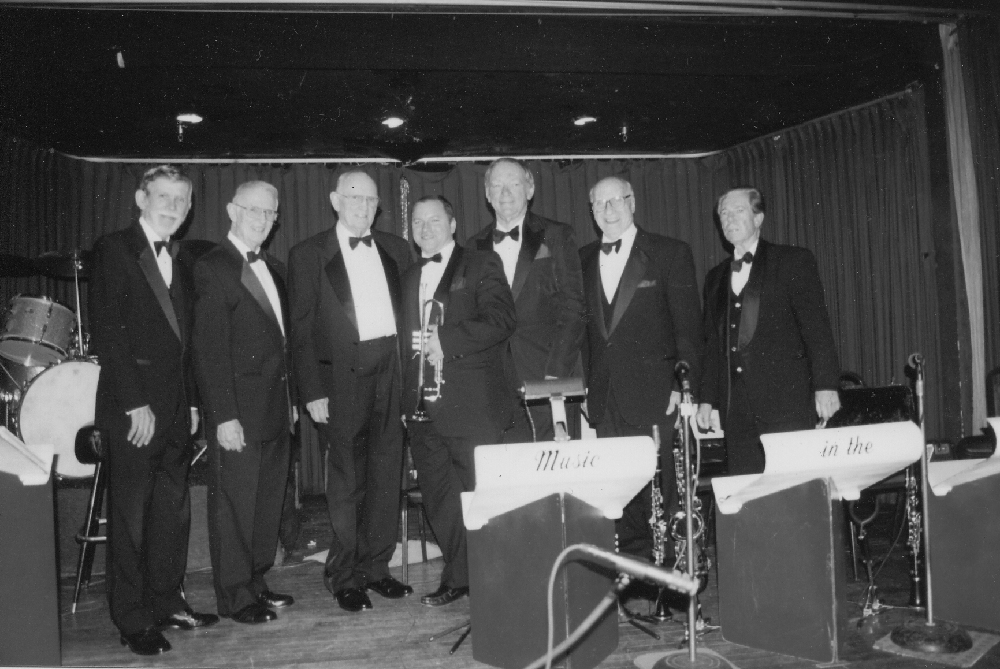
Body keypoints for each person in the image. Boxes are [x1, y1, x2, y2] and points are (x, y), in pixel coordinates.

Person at [89, 165, 218, 656]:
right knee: (131, 518)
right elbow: (109, 331)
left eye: (181, 200)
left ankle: (168, 602)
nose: (172, 206)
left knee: (172, 514)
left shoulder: (182, 259)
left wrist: (187, 402)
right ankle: (132, 618)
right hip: (134, 408)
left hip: (173, 410)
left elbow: (182, 343)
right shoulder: (114, 249)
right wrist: (134, 403)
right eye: (162, 196)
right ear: (141, 199)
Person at [287, 171, 414, 612]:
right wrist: (312, 390)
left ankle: (377, 568)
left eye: (370, 201)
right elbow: (299, 332)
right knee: (346, 482)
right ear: (335, 200)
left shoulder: (398, 249)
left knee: (385, 475)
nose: (362, 207)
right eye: (354, 199)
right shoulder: (307, 254)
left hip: (391, 375)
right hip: (340, 379)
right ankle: (344, 575)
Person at [402, 195, 516, 606]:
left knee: (481, 497)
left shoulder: (481, 263)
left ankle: (497, 582)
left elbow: (503, 320)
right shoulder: (409, 275)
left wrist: (444, 340)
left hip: (472, 406)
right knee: (442, 499)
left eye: (434, 220)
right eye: (418, 222)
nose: (426, 228)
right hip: (422, 409)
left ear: (453, 224)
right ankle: (460, 576)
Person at [579, 176, 702, 560]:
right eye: (600, 204)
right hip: (605, 398)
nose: (609, 209)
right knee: (622, 498)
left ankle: (668, 574)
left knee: (660, 494)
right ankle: (634, 574)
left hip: (656, 397)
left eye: (616, 200)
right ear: (592, 212)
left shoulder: (669, 252)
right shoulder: (582, 259)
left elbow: (688, 328)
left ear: (633, 202)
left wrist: (682, 387)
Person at [192, 181, 297, 624]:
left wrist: (291, 400)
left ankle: (256, 581)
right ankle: (234, 597)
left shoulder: (273, 267)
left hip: (275, 407)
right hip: (238, 411)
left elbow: (282, 343)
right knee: (234, 504)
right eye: (253, 210)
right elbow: (209, 349)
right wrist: (223, 416)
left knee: (264, 502)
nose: (262, 219)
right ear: (233, 211)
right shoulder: (213, 266)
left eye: (270, 213)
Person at [696, 187, 841, 476]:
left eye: (738, 211)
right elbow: (713, 345)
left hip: (786, 403)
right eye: (723, 213)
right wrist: (708, 399)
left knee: (792, 491)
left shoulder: (792, 261)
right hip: (736, 410)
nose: (728, 219)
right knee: (747, 492)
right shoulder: (715, 278)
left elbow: (817, 328)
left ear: (759, 217)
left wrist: (826, 385)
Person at [467, 159, 585, 441]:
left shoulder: (557, 235)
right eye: (497, 185)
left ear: (530, 189)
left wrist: (556, 373)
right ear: (487, 194)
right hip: (493, 382)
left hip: (547, 374)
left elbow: (575, 306)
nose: (505, 192)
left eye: (514, 184)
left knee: (555, 472)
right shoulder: (473, 246)